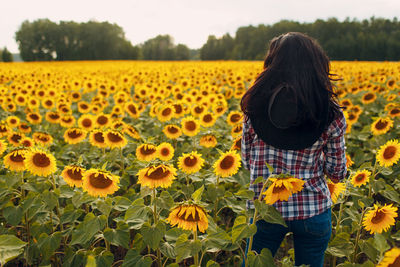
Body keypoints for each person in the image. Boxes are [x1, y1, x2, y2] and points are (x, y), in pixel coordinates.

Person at [240, 32, 347, 267]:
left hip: (265, 211)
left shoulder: (254, 107)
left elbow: (247, 162)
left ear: (272, 63)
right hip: (313, 209)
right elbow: (337, 173)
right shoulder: (330, 113)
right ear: (317, 65)